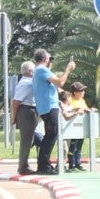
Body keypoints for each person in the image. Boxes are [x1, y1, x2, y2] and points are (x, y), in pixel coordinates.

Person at [31, 48, 74, 176]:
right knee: (51, 135)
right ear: (44, 58)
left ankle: (44, 164)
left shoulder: (41, 71)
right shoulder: (41, 69)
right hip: (49, 106)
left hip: (46, 106)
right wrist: (68, 69)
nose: (51, 60)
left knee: (51, 135)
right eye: (50, 58)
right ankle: (44, 165)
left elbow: (57, 87)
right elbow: (60, 81)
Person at [11, 62, 37, 177]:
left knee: (30, 139)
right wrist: (14, 117)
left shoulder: (30, 82)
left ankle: (24, 165)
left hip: (30, 110)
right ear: (30, 71)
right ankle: (23, 167)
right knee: (26, 140)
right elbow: (16, 101)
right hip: (26, 110)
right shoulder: (25, 83)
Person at [60, 82, 91, 171]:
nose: (83, 92)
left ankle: (78, 163)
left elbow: (85, 108)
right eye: (81, 91)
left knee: (79, 145)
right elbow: (68, 109)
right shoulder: (70, 99)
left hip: (81, 127)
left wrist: (89, 110)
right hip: (72, 127)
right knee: (72, 146)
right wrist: (77, 109)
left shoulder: (82, 100)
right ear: (75, 92)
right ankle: (71, 164)